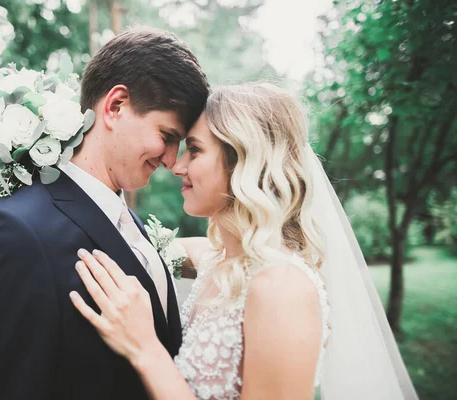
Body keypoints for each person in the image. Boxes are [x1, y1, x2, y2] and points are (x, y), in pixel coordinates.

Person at [70, 82, 420, 399]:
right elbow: (148, 247)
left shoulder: (282, 288)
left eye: (194, 150)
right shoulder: (221, 260)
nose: (176, 166)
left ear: (243, 164)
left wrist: (145, 348)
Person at [0, 27, 209, 400]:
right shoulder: (10, 233)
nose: (170, 159)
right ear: (115, 106)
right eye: (167, 136)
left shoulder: (126, 222)